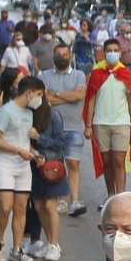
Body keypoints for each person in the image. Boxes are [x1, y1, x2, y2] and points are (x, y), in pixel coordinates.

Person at [0, 75, 46, 261]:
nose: (40, 98)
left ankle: (16, 249)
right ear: (28, 93)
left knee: (21, 208)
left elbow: (23, 142)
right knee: (6, 207)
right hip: (4, 163)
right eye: (39, 94)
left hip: (23, 165)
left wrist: (35, 154)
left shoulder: (29, 113)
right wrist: (19, 151)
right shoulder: (6, 111)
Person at [85, 42, 131, 206]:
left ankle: (121, 196)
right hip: (100, 123)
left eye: (115, 51)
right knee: (107, 161)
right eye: (109, 51)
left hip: (122, 123)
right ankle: (110, 195)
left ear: (120, 53)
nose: (112, 53)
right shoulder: (96, 73)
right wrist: (88, 125)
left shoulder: (125, 73)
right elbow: (91, 100)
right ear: (104, 52)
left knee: (118, 160)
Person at [43, 42, 89, 217]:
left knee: (73, 164)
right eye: (58, 54)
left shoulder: (78, 75)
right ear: (53, 57)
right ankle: (61, 200)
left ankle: (74, 201)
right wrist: (68, 96)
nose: (62, 57)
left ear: (70, 56)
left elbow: (79, 96)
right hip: (51, 129)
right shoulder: (44, 75)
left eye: (65, 54)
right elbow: (44, 100)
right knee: (56, 165)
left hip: (74, 127)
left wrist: (55, 93)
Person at [27, 91, 68, 261]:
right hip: (34, 164)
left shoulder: (53, 115)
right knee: (38, 205)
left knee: (50, 205)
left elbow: (59, 142)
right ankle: (50, 241)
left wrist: (40, 139)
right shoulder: (27, 115)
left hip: (51, 166)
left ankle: (53, 243)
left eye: (36, 94)